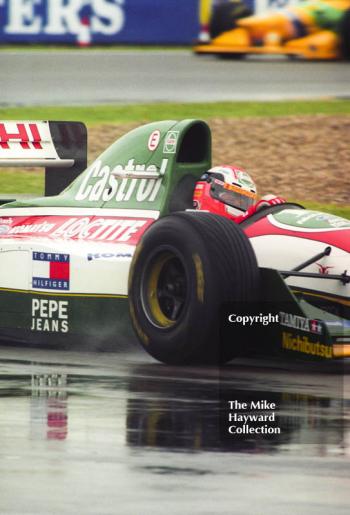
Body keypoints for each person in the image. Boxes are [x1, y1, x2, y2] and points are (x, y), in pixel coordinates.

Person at [193, 165, 285, 223]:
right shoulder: (192, 222)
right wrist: (255, 210)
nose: (237, 203)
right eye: (230, 197)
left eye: (242, 200)